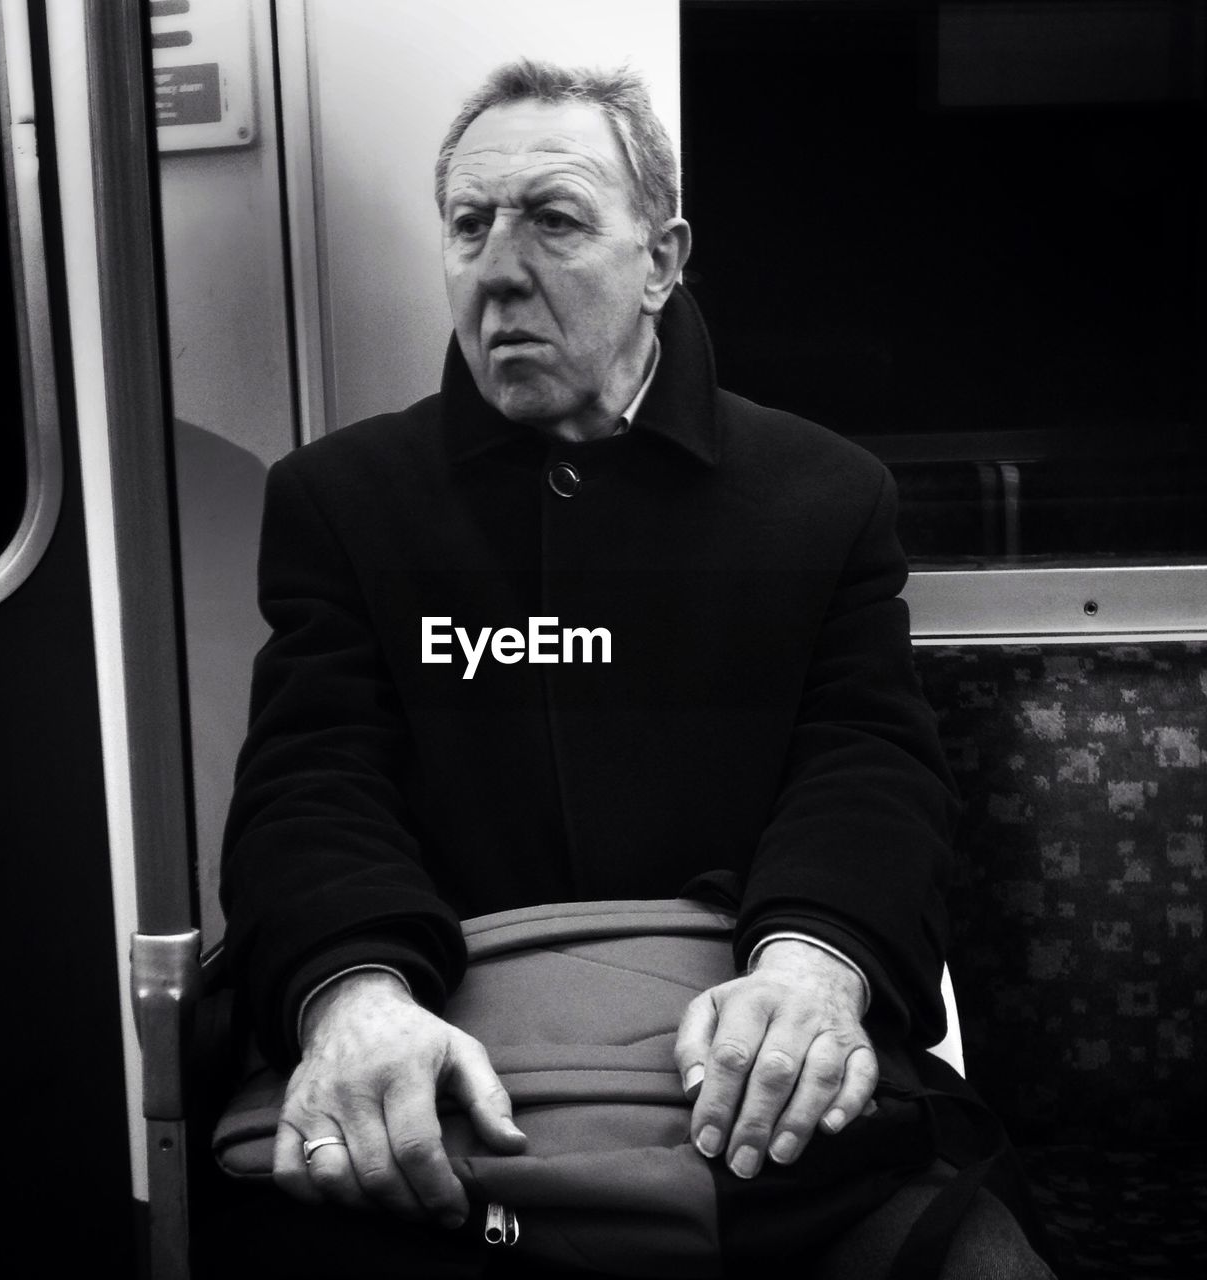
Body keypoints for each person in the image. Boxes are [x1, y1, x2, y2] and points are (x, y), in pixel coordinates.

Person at [221, 59, 1053, 1277]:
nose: (497, 269)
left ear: (659, 261)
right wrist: (352, 993)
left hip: (746, 1078)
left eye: (552, 219)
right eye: (468, 225)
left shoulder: (817, 498)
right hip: (454, 1067)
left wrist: (812, 962)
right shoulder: (345, 503)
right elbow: (310, 782)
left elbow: (864, 767)